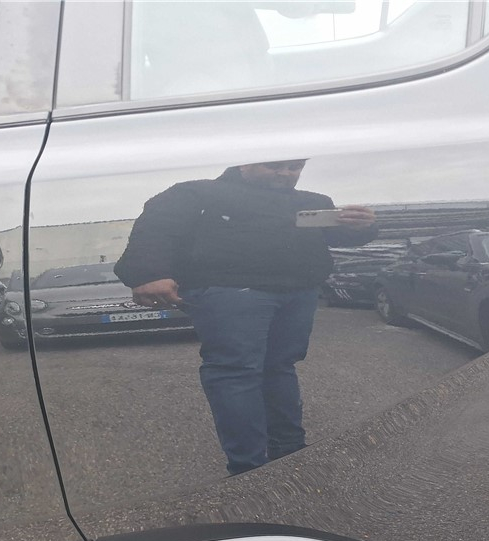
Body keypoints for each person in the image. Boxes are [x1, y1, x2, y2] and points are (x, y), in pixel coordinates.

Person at [114, 160, 378, 475]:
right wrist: (149, 273)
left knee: (280, 367)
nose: (285, 173)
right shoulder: (198, 193)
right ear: (244, 163)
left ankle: (291, 453)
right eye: (274, 166)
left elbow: (336, 238)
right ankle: (249, 469)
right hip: (229, 290)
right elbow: (158, 228)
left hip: (298, 291)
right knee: (236, 371)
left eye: (294, 167)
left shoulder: (312, 201)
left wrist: (360, 227)